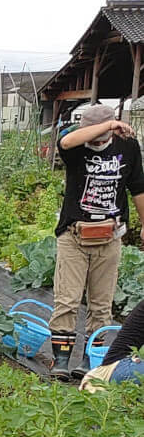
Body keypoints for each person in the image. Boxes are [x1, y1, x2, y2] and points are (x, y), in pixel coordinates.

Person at [48, 104, 144, 380]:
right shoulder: (76, 145)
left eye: (103, 138)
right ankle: (61, 361)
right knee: (67, 299)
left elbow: (138, 187)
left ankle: (92, 359)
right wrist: (107, 126)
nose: (97, 142)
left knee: (102, 304)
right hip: (74, 235)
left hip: (109, 236)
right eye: (93, 135)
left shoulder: (127, 147)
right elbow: (66, 140)